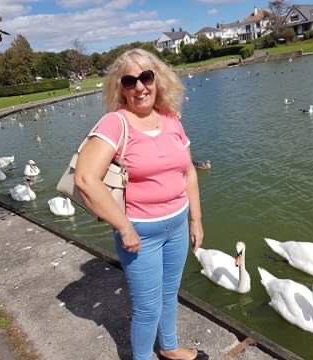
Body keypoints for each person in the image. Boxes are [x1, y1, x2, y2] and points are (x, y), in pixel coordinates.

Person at [74, 48, 207, 360]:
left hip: (177, 223)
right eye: (130, 81)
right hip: (141, 233)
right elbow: (85, 179)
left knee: (169, 294)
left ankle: (170, 348)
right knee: (147, 308)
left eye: (146, 77)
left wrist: (196, 220)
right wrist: (123, 227)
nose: (140, 86)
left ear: (157, 80)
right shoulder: (115, 123)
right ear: (121, 88)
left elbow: (188, 171)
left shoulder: (171, 120)